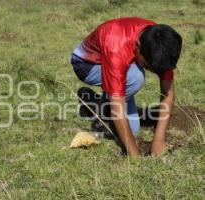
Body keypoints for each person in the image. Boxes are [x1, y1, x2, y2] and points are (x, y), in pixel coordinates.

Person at [71, 17, 182, 157]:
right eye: (149, 66)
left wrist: (159, 139)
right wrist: (134, 156)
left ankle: (94, 100)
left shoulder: (159, 41)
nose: (155, 71)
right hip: (86, 64)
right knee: (136, 77)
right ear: (138, 45)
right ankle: (103, 116)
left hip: (115, 58)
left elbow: (168, 92)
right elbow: (117, 105)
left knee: (133, 130)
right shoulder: (116, 47)